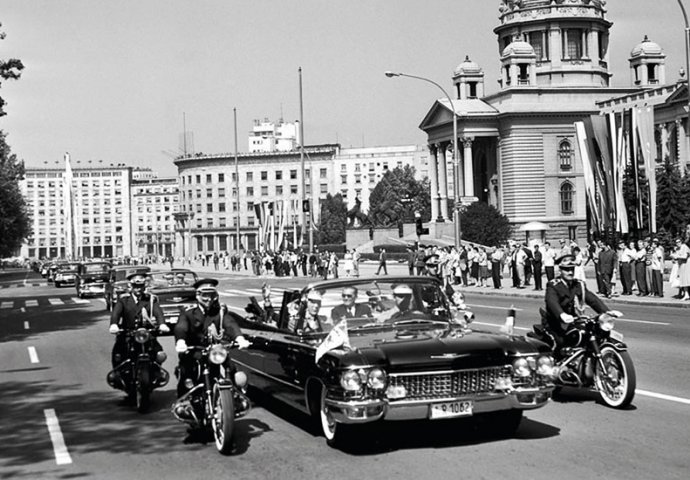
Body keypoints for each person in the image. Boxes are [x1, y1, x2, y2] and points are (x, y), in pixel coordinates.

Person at [173, 278, 250, 396]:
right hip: (194, 349)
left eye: (211, 295)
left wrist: (239, 338)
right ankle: (184, 401)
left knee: (232, 369)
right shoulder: (188, 311)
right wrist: (181, 341)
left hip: (215, 350)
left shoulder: (220, 311)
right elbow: (181, 326)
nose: (208, 299)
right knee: (187, 374)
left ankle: (236, 397)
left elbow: (229, 324)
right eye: (205, 295)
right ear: (198, 295)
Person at [542, 255, 619, 351]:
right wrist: (561, 314)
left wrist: (607, 312)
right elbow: (551, 302)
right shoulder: (553, 285)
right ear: (560, 270)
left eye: (572, 269)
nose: (570, 272)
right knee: (560, 345)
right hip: (556, 324)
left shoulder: (578, 284)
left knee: (591, 335)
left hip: (573, 321)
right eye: (566, 270)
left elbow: (592, 299)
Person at [109, 272, 168, 369]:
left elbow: (158, 312)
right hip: (128, 333)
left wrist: (162, 324)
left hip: (146, 334)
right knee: (118, 354)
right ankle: (118, 374)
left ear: (144, 286)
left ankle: (157, 372)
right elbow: (116, 313)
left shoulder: (150, 299)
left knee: (159, 353)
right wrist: (114, 324)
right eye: (135, 286)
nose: (138, 289)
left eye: (140, 286)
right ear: (131, 286)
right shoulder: (124, 300)